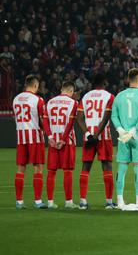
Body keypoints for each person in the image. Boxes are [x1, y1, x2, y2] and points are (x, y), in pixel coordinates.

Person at [111, 68, 138, 211]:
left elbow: (114, 116)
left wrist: (121, 130)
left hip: (123, 137)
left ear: (128, 79)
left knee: (122, 167)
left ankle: (120, 201)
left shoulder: (119, 96)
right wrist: (134, 129)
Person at [75, 74, 115, 209]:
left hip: (89, 137)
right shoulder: (109, 96)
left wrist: (88, 134)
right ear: (104, 82)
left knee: (86, 167)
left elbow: (79, 118)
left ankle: (82, 201)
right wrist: (97, 134)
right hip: (103, 136)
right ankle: (109, 202)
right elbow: (106, 117)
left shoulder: (85, 97)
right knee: (107, 166)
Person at [13, 75, 48, 209]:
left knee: (21, 168)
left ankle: (19, 201)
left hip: (21, 136)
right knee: (38, 167)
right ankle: (38, 200)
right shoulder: (38, 100)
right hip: (35, 136)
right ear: (35, 86)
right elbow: (43, 120)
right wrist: (48, 133)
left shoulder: (16, 99)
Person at [45, 81, 79, 209]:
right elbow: (70, 122)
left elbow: (45, 120)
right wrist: (64, 139)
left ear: (61, 89)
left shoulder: (50, 102)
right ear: (71, 91)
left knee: (51, 171)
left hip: (53, 140)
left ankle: (49, 202)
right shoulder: (73, 103)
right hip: (67, 141)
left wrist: (50, 137)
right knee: (67, 171)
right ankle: (68, 202)